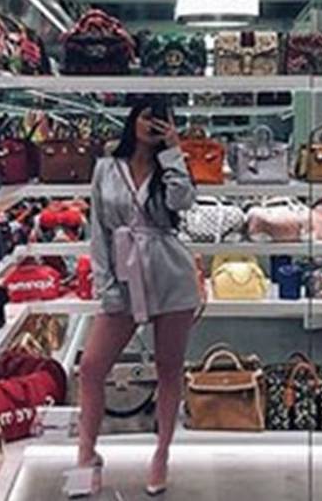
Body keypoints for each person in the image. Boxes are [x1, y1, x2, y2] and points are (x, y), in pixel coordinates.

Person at [71, 97, 199, 497]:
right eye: (147, 116)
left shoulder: (170, 166)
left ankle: (162, 453)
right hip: (124, 277)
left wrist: (174, 152)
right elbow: (99, 232)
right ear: (133, 120)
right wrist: (105, 285)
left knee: (169, 368)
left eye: (162, 119)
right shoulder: (106, 168)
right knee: (91, 367)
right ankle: (86, 455)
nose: (153, 124)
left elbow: (182, 203)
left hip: (171, 275)